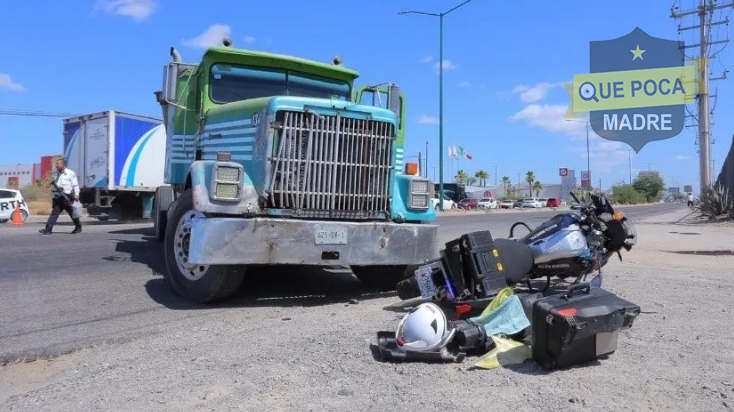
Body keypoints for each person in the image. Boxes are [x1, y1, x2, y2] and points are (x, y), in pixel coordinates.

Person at [39, 158, 82, 234]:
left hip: (67, 197)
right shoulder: (55, 174)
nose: (56, 166)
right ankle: (48, 229)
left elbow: (75, 185)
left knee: (72, 213)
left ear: (63, 164)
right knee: (54, 213)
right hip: (58, 197)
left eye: (58, 164)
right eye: (56, 164)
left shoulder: (70, 173)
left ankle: (78, 227)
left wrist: (76, 194)